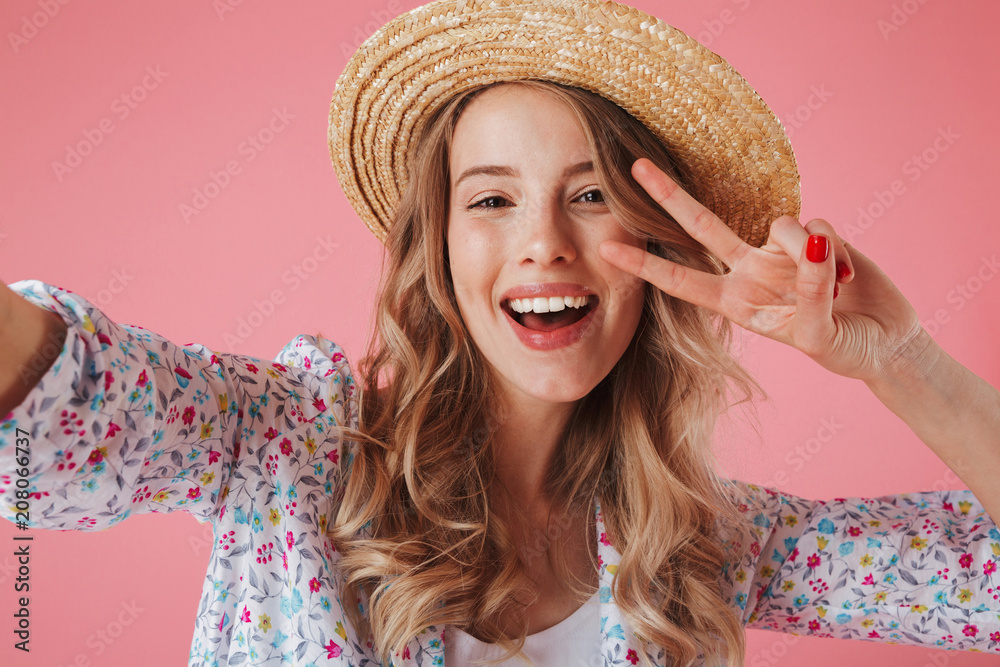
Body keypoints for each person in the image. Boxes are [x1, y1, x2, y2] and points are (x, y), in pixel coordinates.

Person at [2, 1, 998, 666]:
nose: (543, 245)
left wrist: (899, 361)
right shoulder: (286, 444)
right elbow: (58, 403)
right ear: (433, 246)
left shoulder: (701, 545)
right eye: (491, 199)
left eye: (591, 195)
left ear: (653, 243)